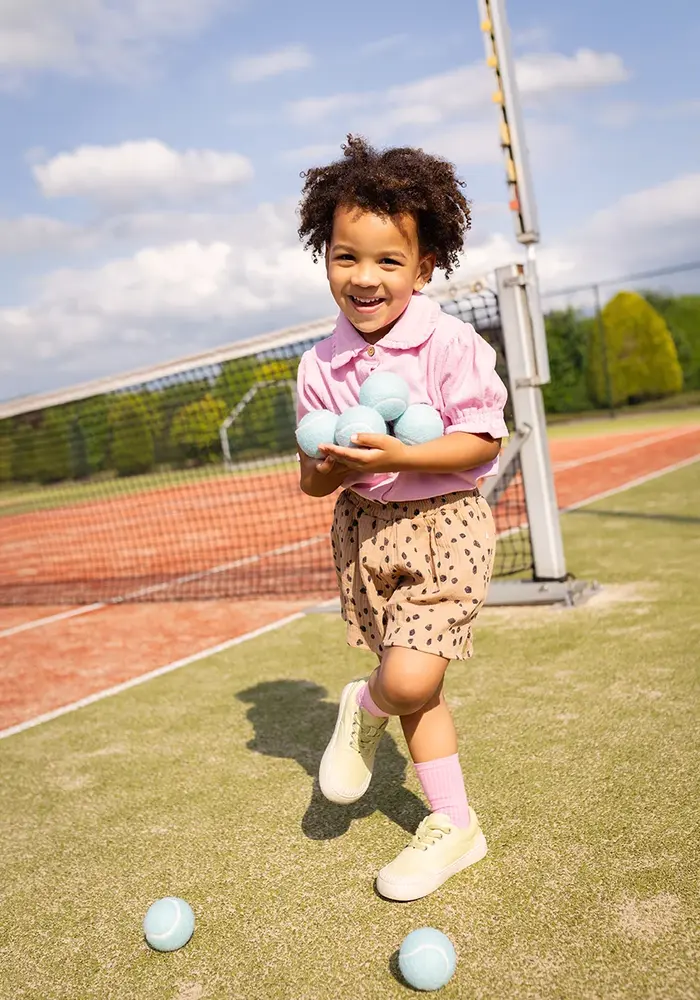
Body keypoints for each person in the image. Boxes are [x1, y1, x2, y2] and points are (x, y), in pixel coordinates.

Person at [295, 135, 508, 902]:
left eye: (389, 260)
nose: (365, 276)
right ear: (325, 258)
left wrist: (400, 454)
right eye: (346, 256)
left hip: (446, 527)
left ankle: (364, 705)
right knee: (422, 691)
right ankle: (455, 825)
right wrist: (337, 467)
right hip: (364, 534)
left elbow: (483, 438)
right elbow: (312, 481)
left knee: (407, 677)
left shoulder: (449, 343)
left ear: (423, 268)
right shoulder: (318, 365)